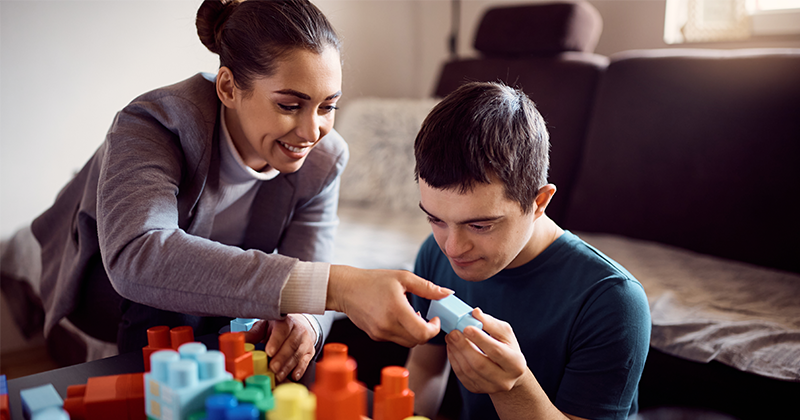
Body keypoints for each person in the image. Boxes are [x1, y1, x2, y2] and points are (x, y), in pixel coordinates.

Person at [31, 0, 448, 385]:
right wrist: (337, 288)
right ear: (228, 88)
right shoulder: (154, 124)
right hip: (114, 290)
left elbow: (305, 263)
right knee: (171, 310)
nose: (311, 132)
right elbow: (139, 254)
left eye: (327, 107)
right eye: (289, 105)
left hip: (213, 297)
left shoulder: (325, 157)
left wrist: (305, 319)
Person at [406, 81, 651, 420]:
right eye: (436, 219)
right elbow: (425, 368)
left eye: (480, 225)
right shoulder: (434, 255)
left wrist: (514, 386)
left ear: (539, 202)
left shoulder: (611, 301)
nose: (452, 247)